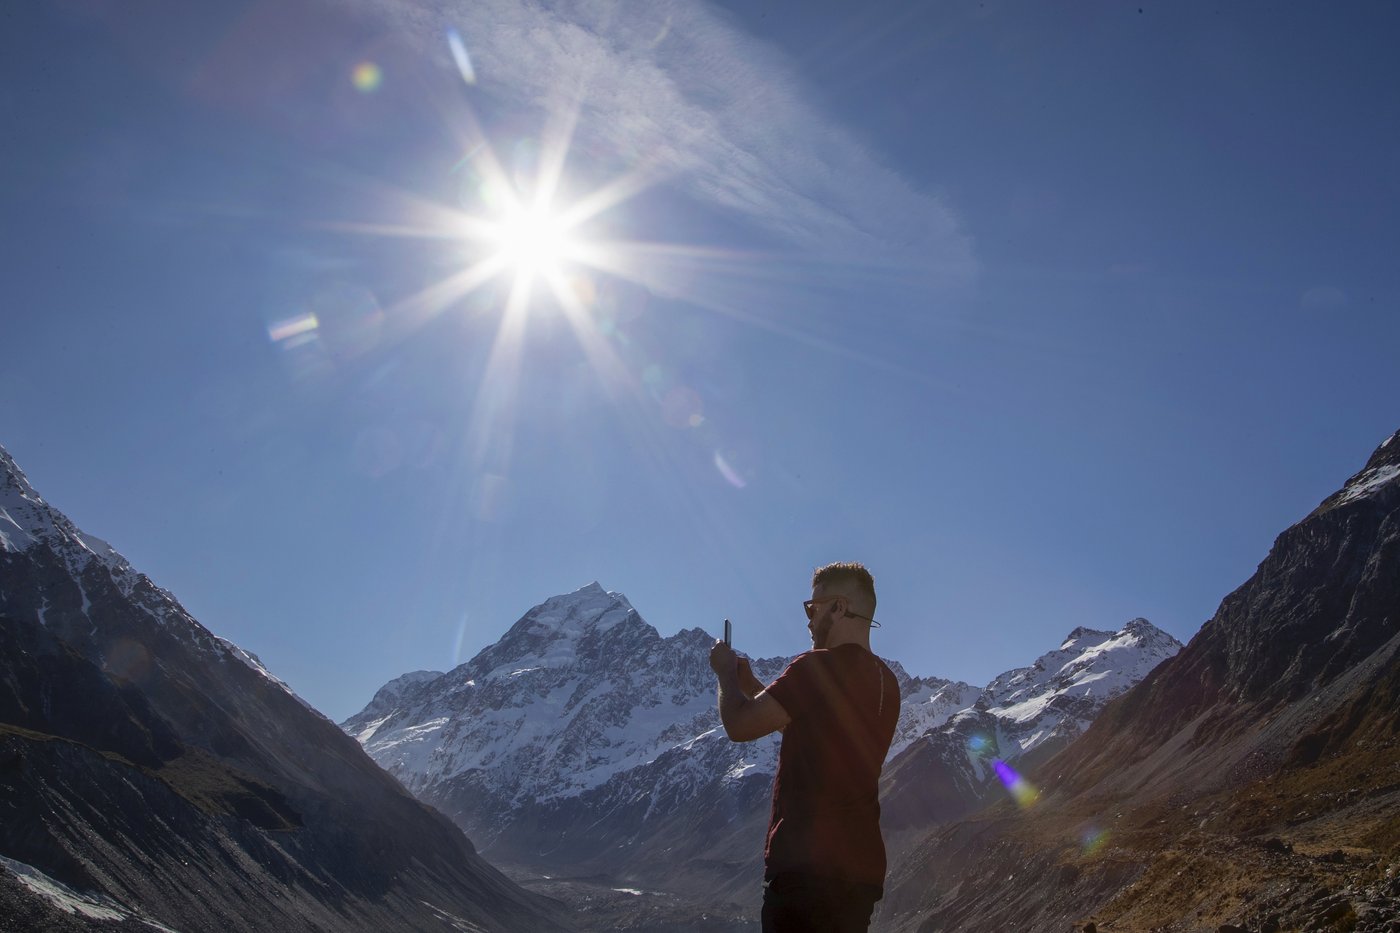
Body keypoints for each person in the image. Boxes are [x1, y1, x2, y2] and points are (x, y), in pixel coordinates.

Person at [709, 561, 900, 933]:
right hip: (858, 877)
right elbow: (812, 733)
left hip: (804, 874)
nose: (809, 621)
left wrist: (726, 676)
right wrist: (753, 687)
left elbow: (739, 725)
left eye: (813, 608)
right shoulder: (886, 682)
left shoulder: (817, 667)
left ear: (839, 607)